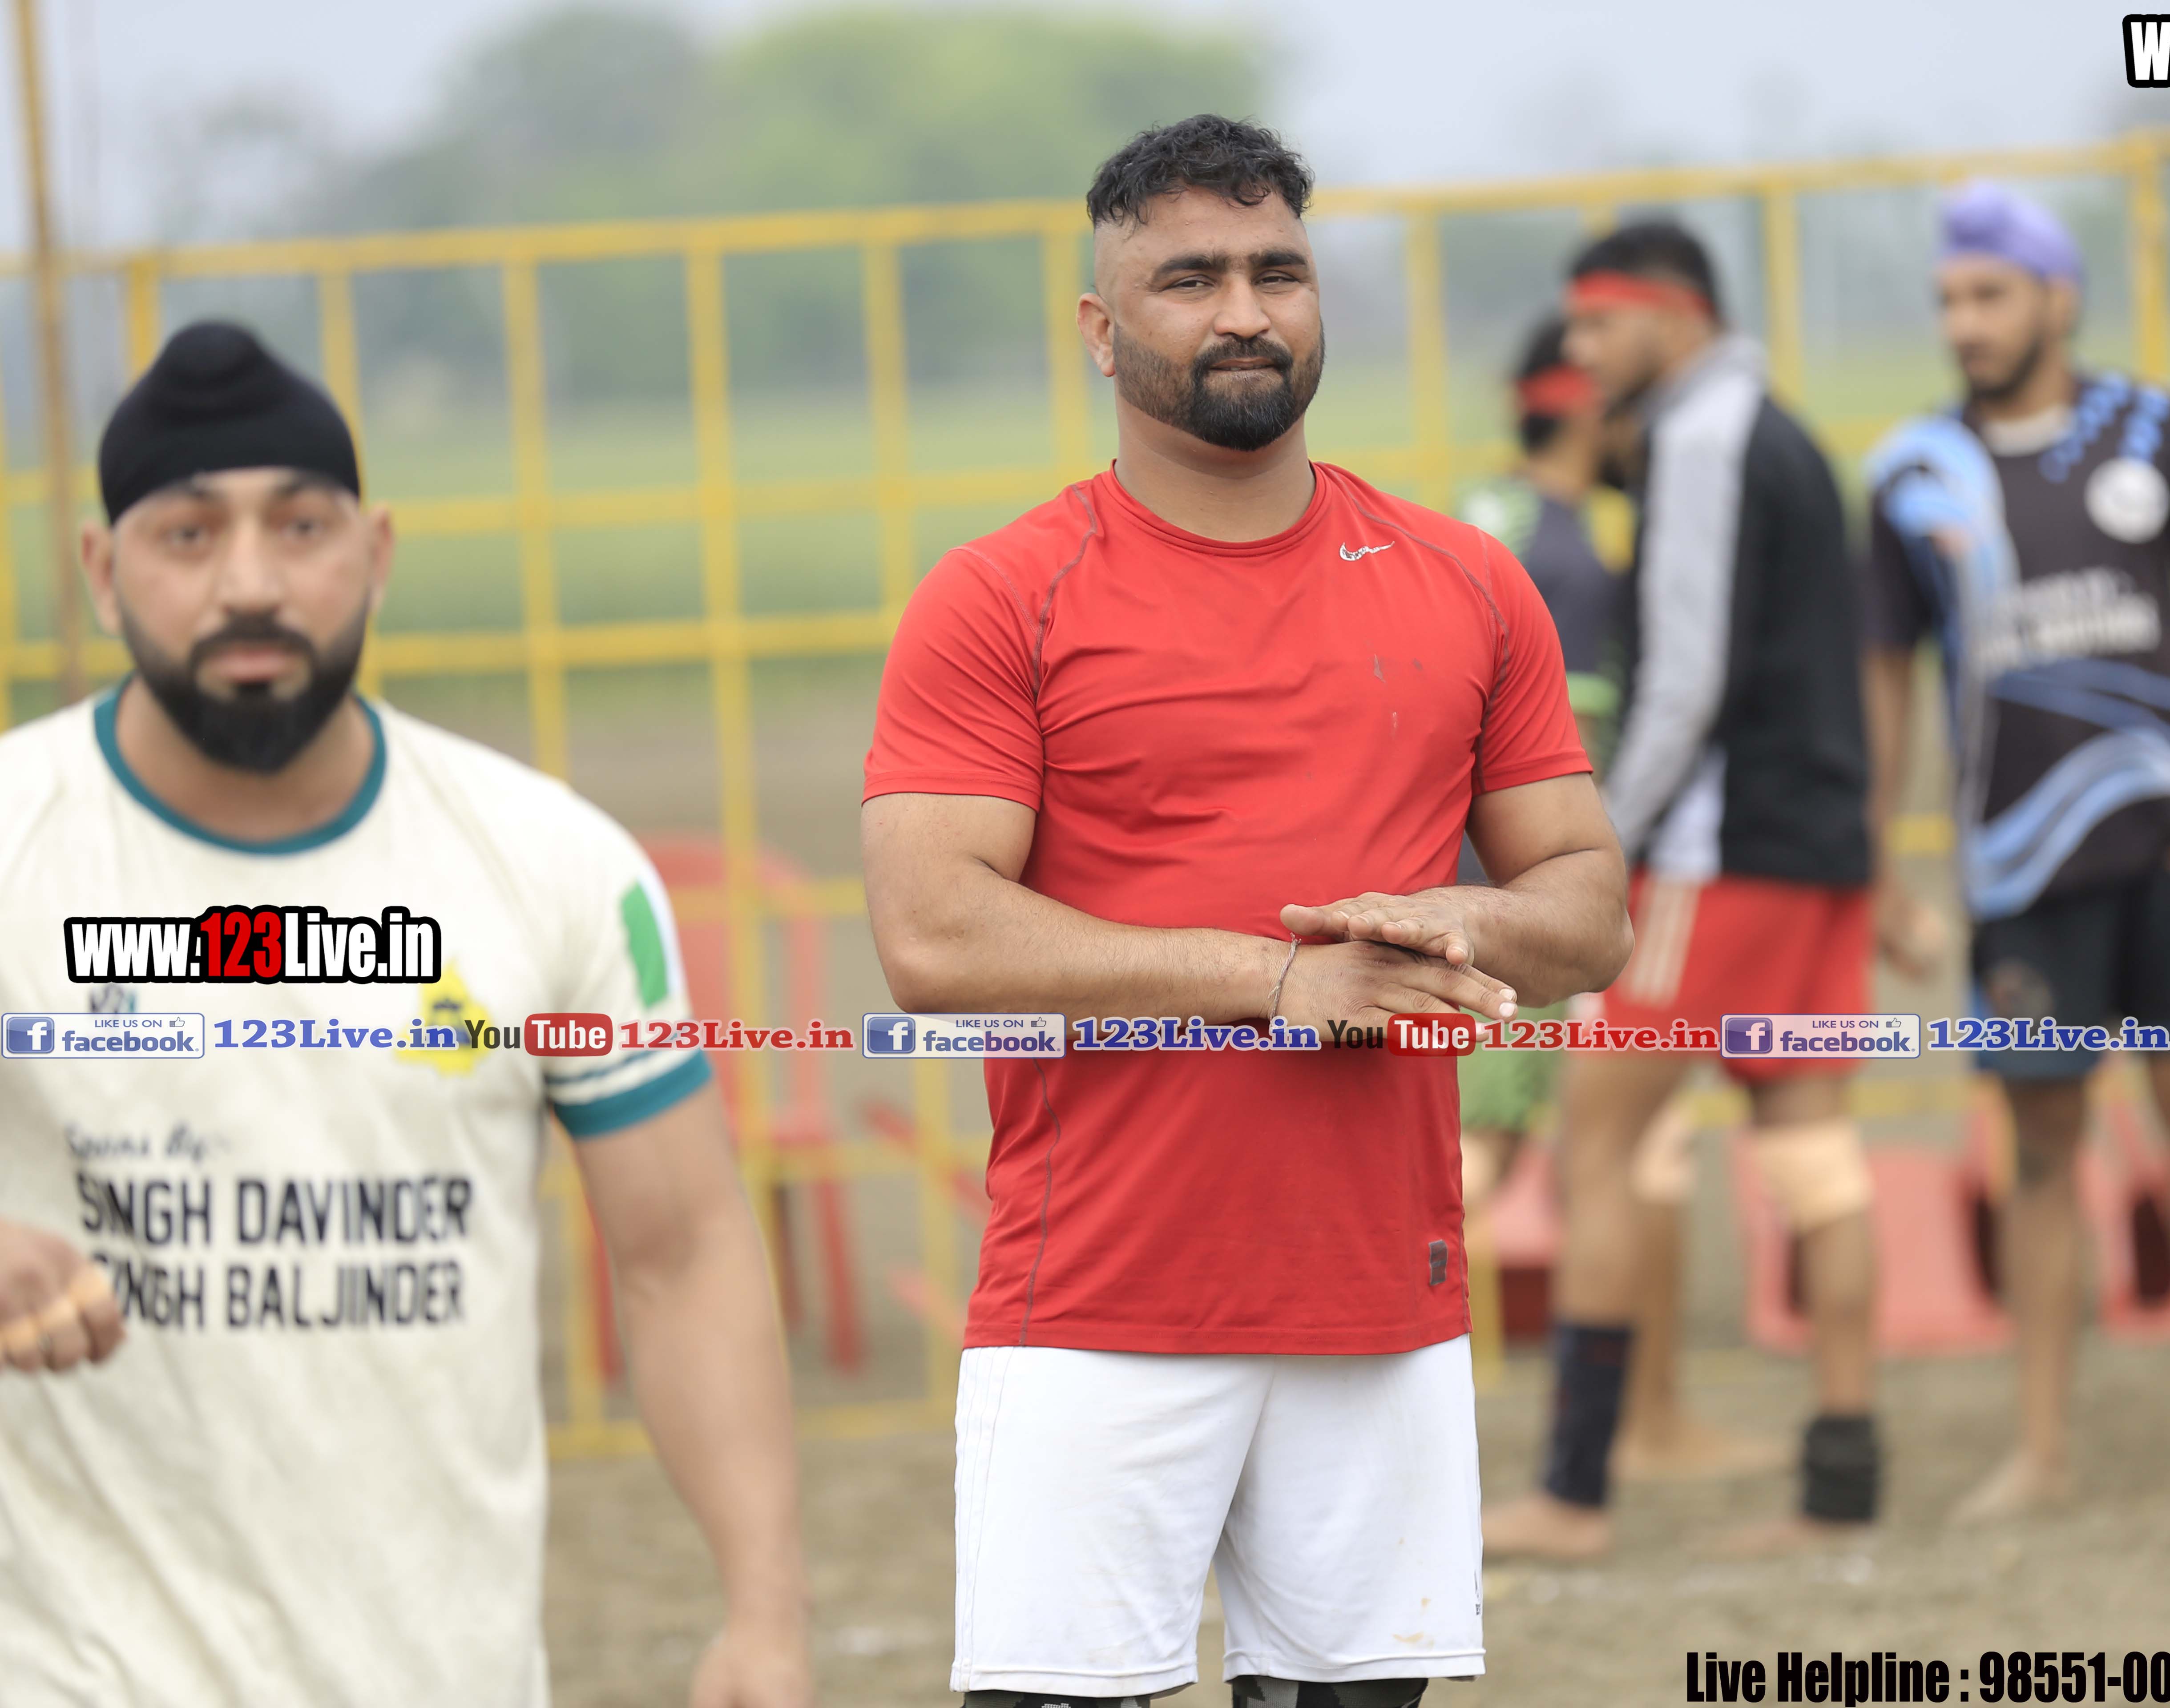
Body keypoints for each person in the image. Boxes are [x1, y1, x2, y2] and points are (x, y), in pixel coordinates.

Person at [860, 117, 1629, 1708]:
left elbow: (1589, 908)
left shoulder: (1467, 581)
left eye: (1278, 272)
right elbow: (932, 935)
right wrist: (1275, 979)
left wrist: (1448, 926)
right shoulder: (1002, 595)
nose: (1243, 313)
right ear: (1101, 329)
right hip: (1095, 1300)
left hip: (1382, 1300)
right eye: (1190, 278)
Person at [0, 323, 812, 1705]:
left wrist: (766, 1614)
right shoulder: (19, 839)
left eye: (298, 527)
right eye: (187, 535)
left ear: (374, 553)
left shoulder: (548, 863)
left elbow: (680, 1253)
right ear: (99, 569)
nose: (250, 583)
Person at [1865, 183, 2170, 1519]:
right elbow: (1883, 676)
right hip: (2019, 877)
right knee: (2042, 1146)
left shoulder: (2155, 430)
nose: (1966, 321)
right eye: (1951, 299)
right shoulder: (1910, 474)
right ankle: (2042, 1451)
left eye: (1991, 294)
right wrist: (1880, 859)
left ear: (2057, 300)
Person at [1480, 220, 1880, 1562]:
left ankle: (1574, 1494)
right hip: (1819, 857)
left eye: (1598, 324)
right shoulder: (1787, 434)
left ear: (1672, 313)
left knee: (1596, 1148)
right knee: (1816, 1161)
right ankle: (1841, 1488)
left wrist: (1602, 845)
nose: (1580, 352)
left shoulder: (1703, 441)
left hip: (1716, 860)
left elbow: (1686, 681)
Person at [1454, 322, 1750, 1485]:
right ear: (1586, 406)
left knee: (1598, 1153)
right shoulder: (1561, 528)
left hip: (1529, 900)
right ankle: (1645, 1422)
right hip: (1546, 902)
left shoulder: (1528, 522)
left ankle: (1649, 1421)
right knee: (1530, 1157)